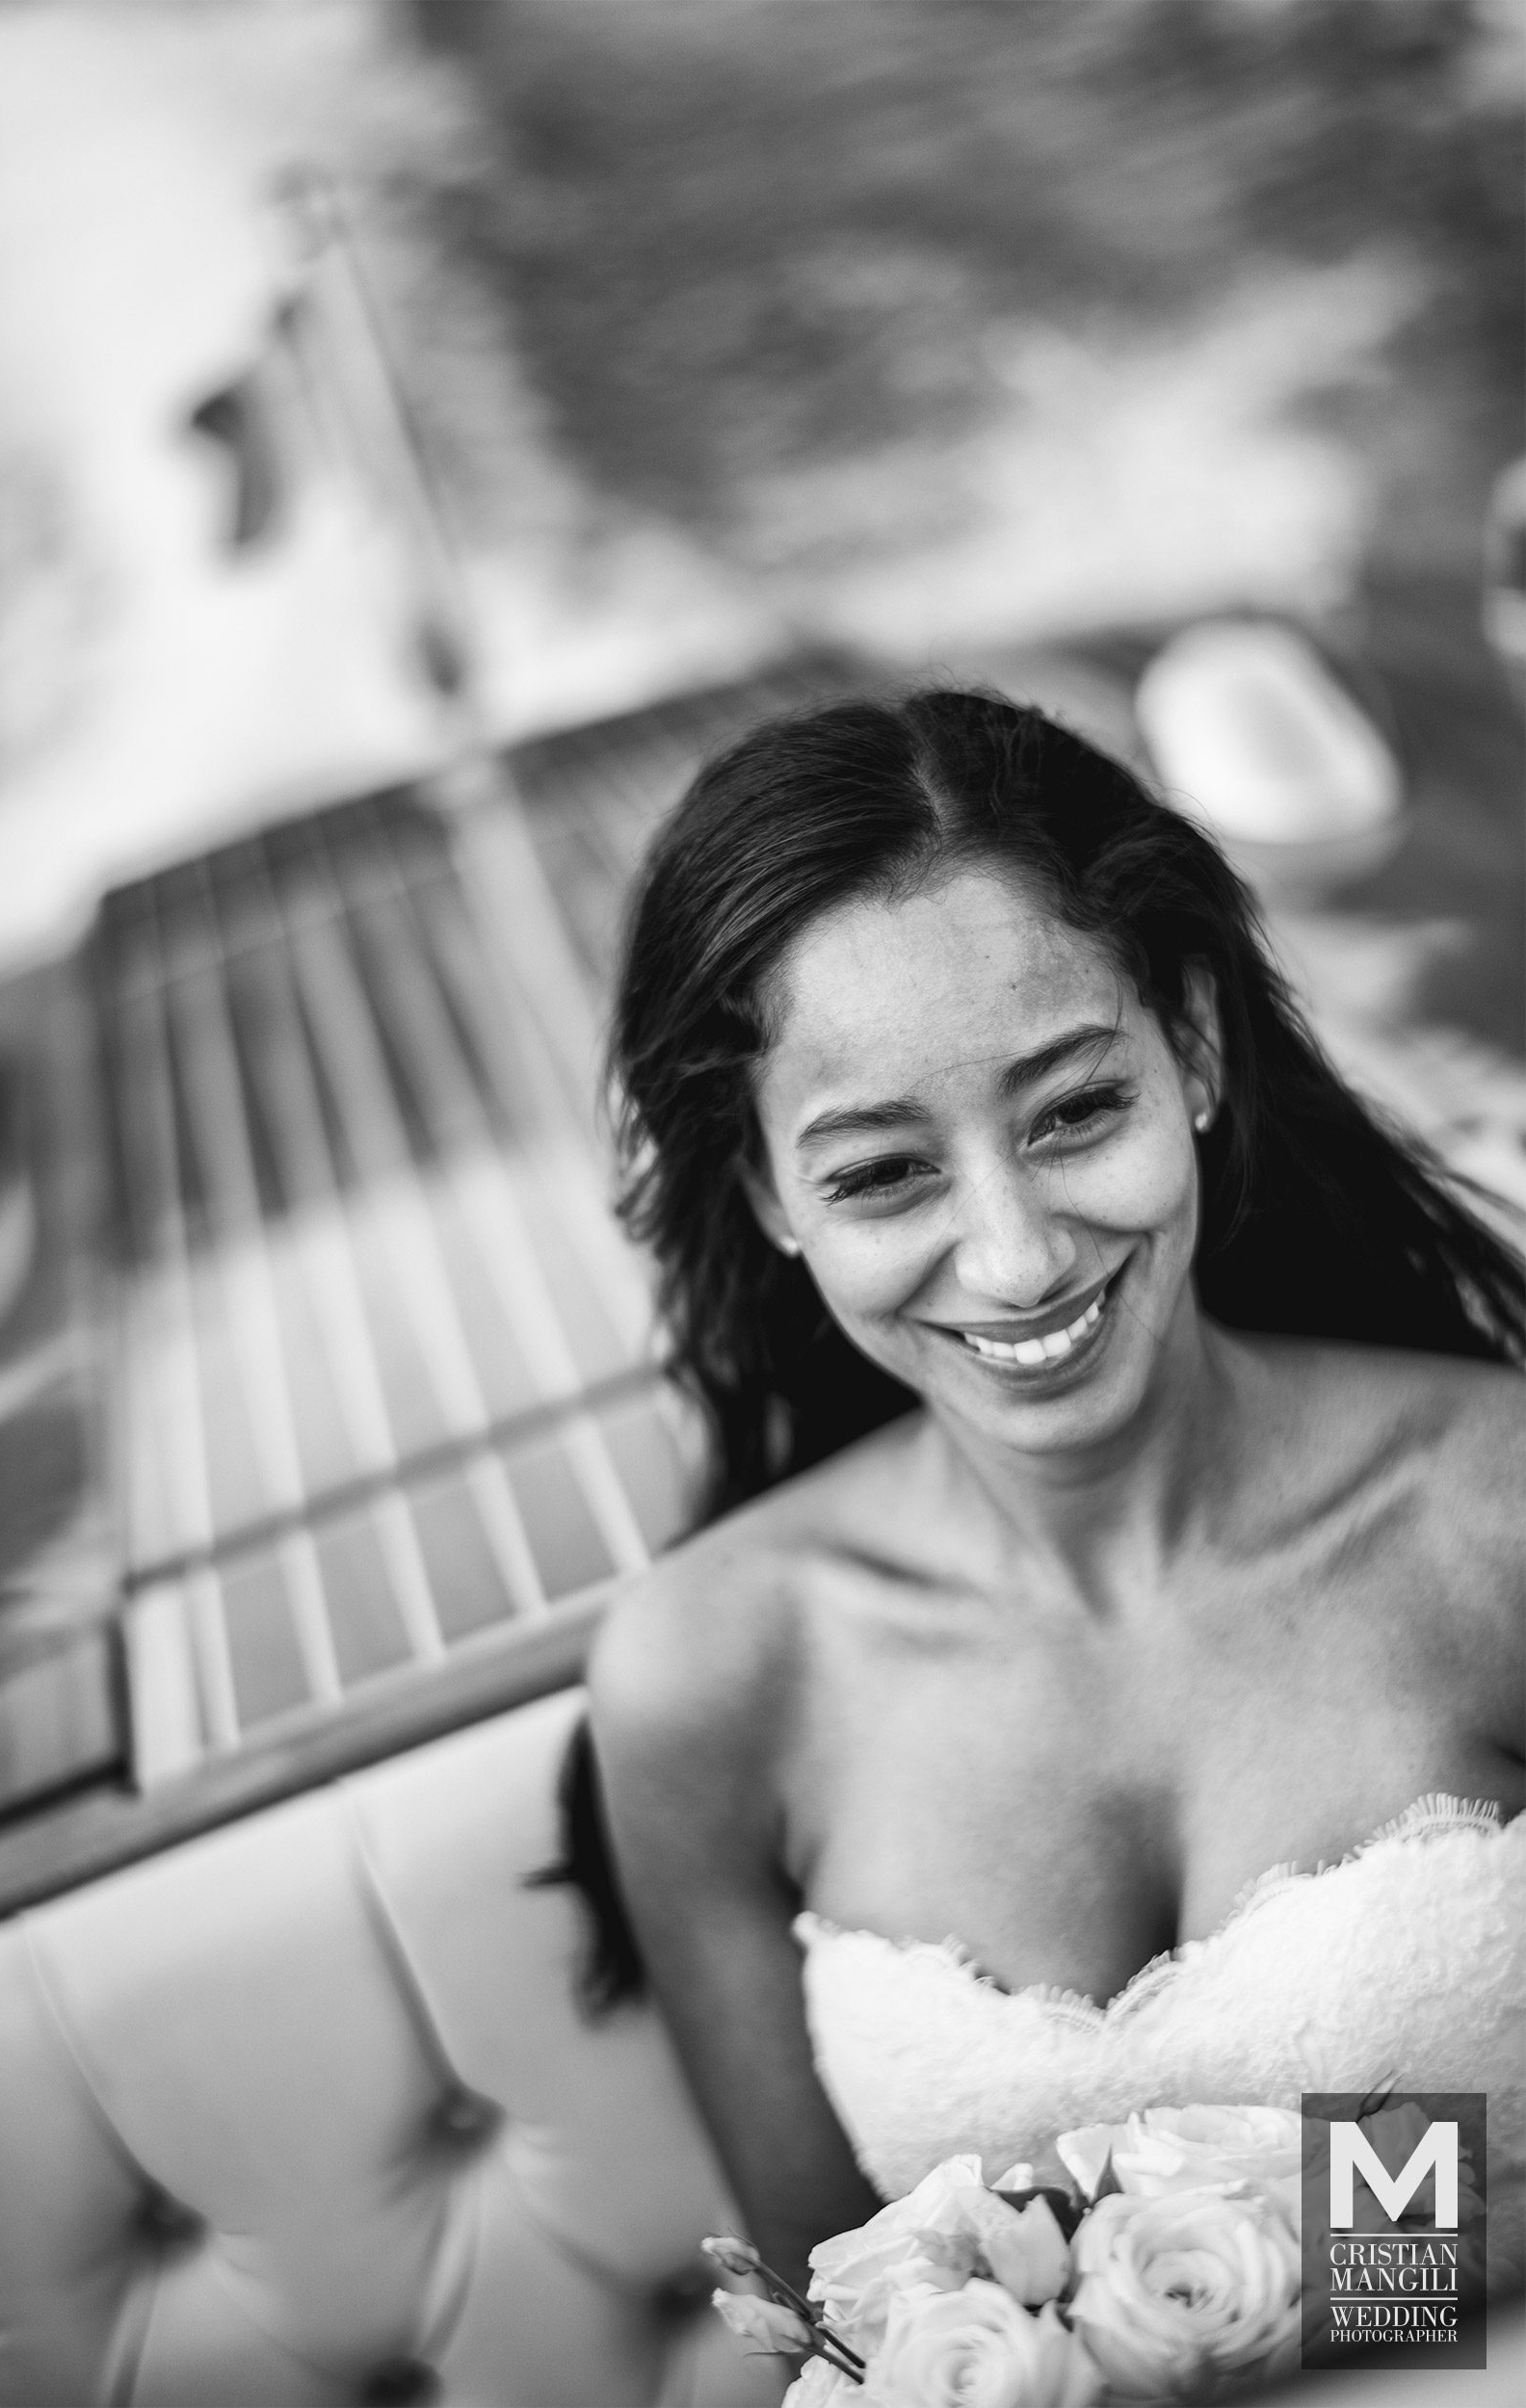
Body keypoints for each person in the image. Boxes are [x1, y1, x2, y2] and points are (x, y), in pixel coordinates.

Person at [575, 689, 1524, 2298]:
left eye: (1076, 1110)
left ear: (1198, 1050)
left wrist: (1217, 2312)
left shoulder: (1495, 1513)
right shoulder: (712, 1672)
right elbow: (838, 2323)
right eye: (883, 1172)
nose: (1016, 1259)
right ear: (771, 1200)